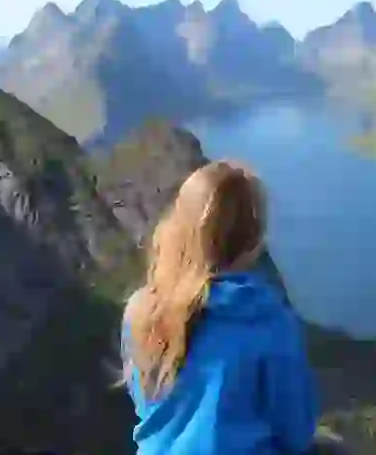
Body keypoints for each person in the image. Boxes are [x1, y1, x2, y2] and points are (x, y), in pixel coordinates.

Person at [120, 160, 319, 454]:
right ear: (253, 241)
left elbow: (145, 403)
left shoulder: (142, 311)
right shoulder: (269, 321)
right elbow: (296, 432)